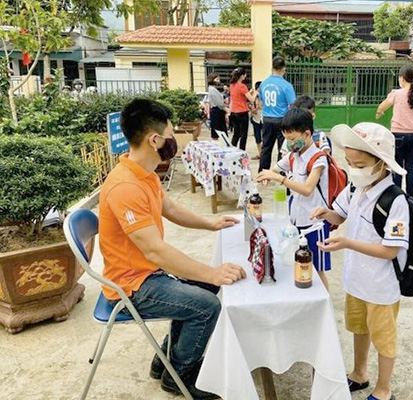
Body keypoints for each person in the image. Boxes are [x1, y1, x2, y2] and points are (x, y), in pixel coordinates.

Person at [99, 98, 246, 399]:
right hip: (132, 285)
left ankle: (163, 360)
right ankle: (179, 374)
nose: (173, 140)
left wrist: (210, 223)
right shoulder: (125, 186)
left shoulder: (145, 173)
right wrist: (212, 272)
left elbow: (171, 207)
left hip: (149, 273)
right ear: (154, 140)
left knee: (205, 286)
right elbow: (155, 251)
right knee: (207, 306)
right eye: (170, 135)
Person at [310, 122, 409, 400]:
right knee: (359, 328)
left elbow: (391, 250)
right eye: (350, 163)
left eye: (360, 164)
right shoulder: (356, 188)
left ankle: (384, 388)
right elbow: (340, 215)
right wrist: (325, 213)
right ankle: (359, 373)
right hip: (356, 279)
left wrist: (347, 243)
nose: (353, 169)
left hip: (380, 286)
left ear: (382, 164)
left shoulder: (395, 200)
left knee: (383, 339)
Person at [256, 108, 331, 290]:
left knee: (317, 269)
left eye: (291, 139)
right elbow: (275, 168)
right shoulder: (294, 155)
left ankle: (324, 305)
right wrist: (267, 174)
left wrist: (280, 178)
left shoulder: (318, 159)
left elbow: (307, 189)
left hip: (315, 222)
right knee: (299, 263)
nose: (289, 143)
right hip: (297, 218)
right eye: (286, 138)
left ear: (307, 134)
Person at [376, 64, 413, 197]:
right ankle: (411, 198)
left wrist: (380, 113)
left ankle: (397, 197)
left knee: (397, 168)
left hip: (398, 135)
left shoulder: (396, 94)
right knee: (411, 169)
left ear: (402, 78)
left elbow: (382, 107)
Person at [258, 56, 296, 172]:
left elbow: (260, 103)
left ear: (272, 68)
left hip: (267, 118)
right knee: (282, 148)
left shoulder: (263, 84)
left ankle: (263, 172)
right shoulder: (286, 85)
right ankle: (281, 172)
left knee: (266, 146)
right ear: (283, 69)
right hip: (281, 119)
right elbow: (292, 105)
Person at [229, 67, 257, 151]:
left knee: (236, 133)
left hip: (234, 112)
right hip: (242, 112)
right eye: (244, 75)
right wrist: (255, 93)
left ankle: (231, 150)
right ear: (241, 76)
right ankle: (241, 151)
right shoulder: (242, 86)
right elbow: (251, 99)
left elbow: (238, 97)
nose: (245, 76)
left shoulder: (232, 85)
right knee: (243, 135)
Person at [207, 73, 227, 140]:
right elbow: (219, 103)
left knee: (218, 130)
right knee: (219, 131)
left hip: (216, 111)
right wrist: (226, 109)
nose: (218, 81)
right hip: (217, 111)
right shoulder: (212, 90)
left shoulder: (213, 89)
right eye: (217, 79)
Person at [250, 81, 263, 160]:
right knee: (257, 137)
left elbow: (260, 106)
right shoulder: (253, 96)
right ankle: (259, 153)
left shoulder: (264, 96)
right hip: (256, 118)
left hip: (263, 118)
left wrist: (255, 108)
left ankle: (263, 153)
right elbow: (250, 103)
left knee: (265, 137)